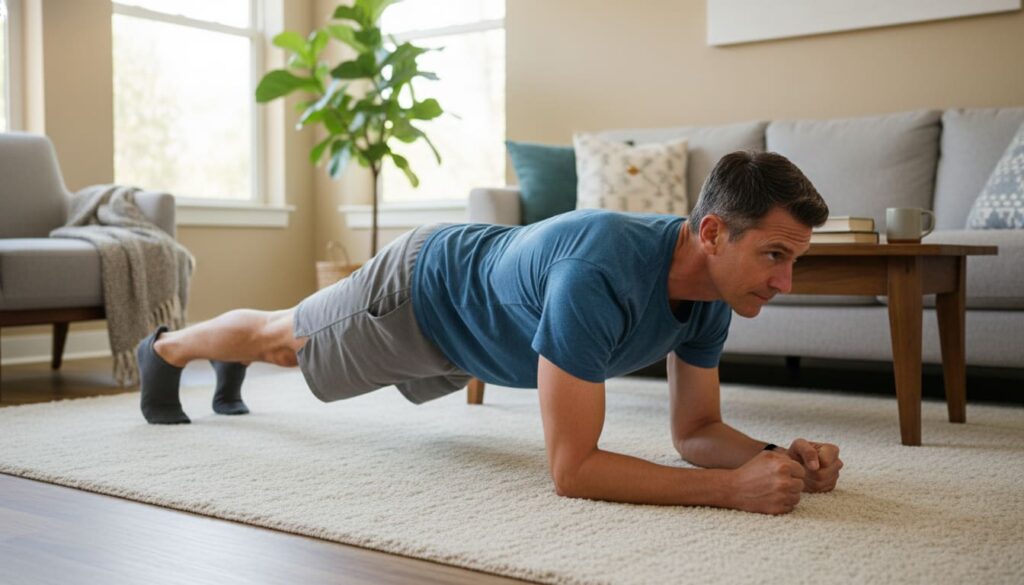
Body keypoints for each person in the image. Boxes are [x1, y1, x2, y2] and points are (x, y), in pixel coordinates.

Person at [136, 150, 843, 515]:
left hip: (476, 327)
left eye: (794, 260)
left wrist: (777, 457)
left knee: (286, 344)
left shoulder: (715, 289)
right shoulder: (597, 272)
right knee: (281, 338)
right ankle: (167, 349)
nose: (784, 283)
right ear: (713, 233)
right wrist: (728, 491)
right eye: (774, 256)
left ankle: (225, 362)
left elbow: (696, 431)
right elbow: (573, 469)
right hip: (422, 292)